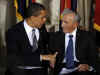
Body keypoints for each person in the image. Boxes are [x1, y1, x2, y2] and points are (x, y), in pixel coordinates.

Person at [5, 2, 54, 75]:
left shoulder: (42, 28)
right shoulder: (13, 32)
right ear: (32, 17)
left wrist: (52, 58)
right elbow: (14, 59)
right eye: (42, 18)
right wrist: (41, 57)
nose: (45, 20)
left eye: (45, 17)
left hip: (41, 72)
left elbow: (47, 46)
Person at [49, 8, 97, 75]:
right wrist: (50, 60)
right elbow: (50, 55)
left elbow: (95, 59)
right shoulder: (55, 37)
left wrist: (88, 67)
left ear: (75, 24)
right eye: (62, 21)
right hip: (61, 69)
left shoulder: (87, 37)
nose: (62, 25)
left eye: (65, 22)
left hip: (81, 70)